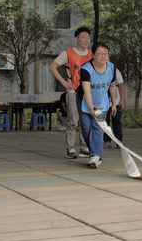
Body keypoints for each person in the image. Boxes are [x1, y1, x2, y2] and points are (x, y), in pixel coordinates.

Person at [49, 26, 92, 159]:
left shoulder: (92, 54)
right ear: (76, 39)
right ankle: (71, 148)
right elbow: (52, 67)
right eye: (83, 37)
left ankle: (84, 147)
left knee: (86, 120)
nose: (86, 40)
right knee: (73, 121)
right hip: (74, 92)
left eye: (88, 38)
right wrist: (64, 82)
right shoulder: (68, 53)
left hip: (88, 93)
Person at [79, 42, 117, 169]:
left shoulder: (112, 68)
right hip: (86, 104)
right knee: (86, 128)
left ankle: (96, 156)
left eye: (106, 53)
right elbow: (87, 91)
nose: (103, 56)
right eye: (100, 53)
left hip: (102, 105)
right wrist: (91, 108)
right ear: (93, 55)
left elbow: (112, 86)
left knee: (97, 128)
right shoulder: (86, 69)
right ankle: (94, 152)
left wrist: (114, 103)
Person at [104, 65, 126, 149]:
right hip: (104, 102)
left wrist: (122, 100)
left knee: (116, 122)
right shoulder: (98, 71)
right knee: (105, 122)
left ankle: (118, 141)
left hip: (116, 102)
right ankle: (106, 140)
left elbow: (121, 85)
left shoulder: (115, 71)